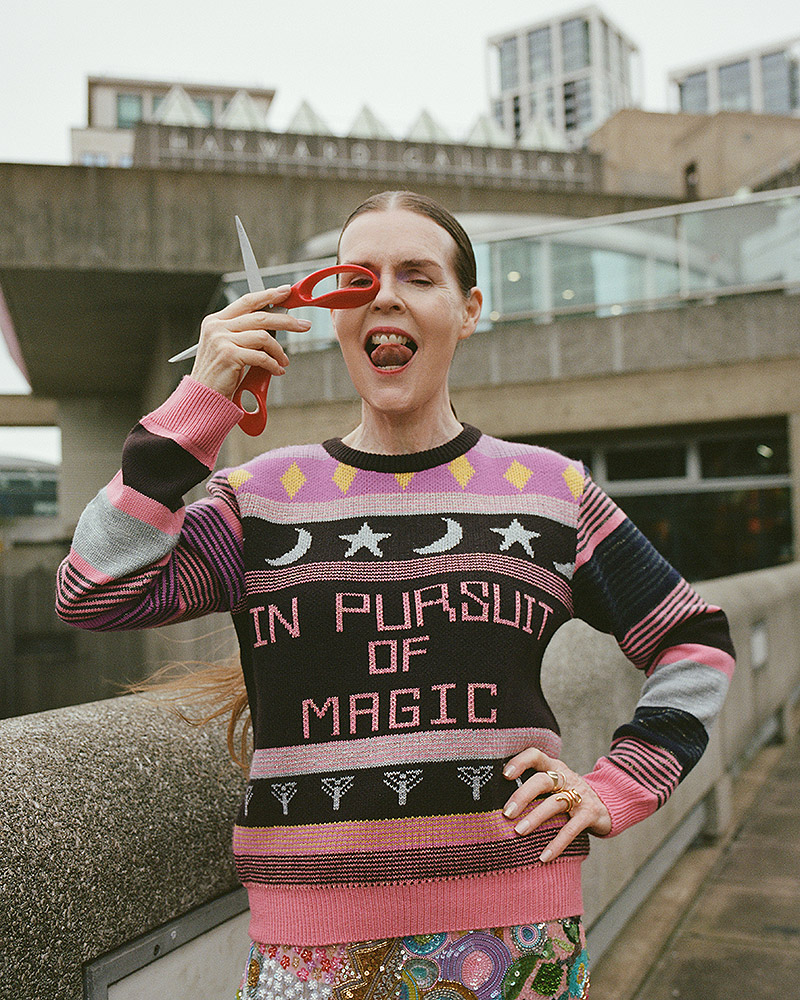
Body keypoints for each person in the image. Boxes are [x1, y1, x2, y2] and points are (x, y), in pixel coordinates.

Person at [57, 190, 735, 999]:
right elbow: (93, 590)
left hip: (517, 939)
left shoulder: (549, 492)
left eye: (417, 275)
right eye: (358, 278)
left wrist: (616, 786)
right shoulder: (260, 500)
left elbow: (695, 639)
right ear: (331, 313)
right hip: (310, 952)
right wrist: (199, 404)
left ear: (469, 310)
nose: (384, 296)